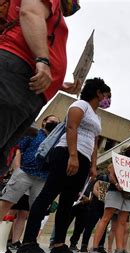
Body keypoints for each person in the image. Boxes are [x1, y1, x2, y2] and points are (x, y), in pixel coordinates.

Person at [14, 77, 110, 253]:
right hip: (66, 153)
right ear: (99, 92)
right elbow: (71, 126)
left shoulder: (97, 117)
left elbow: (94, 142)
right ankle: (27, 244)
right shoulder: (80, 104)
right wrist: (72, 155)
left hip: (83, 157)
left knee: (67, 202)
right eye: (107, 95)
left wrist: (92, 165)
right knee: (48, 194)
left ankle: (58, 245)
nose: (108, 99)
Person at [0, 0, 82, 175]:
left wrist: (58, 83)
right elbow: (30, 13)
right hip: (17, 73)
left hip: (26, 83)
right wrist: (43, 60)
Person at [0, 115, 60, 220]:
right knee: (7, 202)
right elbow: (19, 149)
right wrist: (17, 169)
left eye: (57, 123)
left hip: (42, 178)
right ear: (44, 122)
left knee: (36, 210)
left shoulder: (57, 141)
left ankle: (27, 236)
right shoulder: (34, 134)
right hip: (24, 172)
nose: (54, 124)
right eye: (52, 121)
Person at [88, 144, 130, 253]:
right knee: (105, 218)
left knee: (122, 222)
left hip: (128, 194)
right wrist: (116, 184)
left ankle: (119, 250)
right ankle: (94, 247)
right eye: (129, 149)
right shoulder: (116, 161)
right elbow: (110, 175)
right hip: (115, 192)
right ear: (123, 151)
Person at [79, 173, 109, 253]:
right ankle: (84, 246)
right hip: (96, 205)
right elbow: (95, 190)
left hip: (106, 206)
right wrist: (104, 199)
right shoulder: (104, 177)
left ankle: (100, 246)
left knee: (104, 227)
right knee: (90, 225)